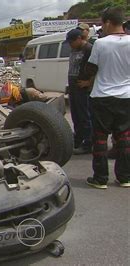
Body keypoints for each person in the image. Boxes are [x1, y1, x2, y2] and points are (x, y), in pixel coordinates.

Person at [84, 7, 129, 189]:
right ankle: (125, 177)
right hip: (127, 96)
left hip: (102, 96)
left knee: (100, 138)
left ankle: (101, 178)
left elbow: (91, 70)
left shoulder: (101, 44)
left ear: (109, 23)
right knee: (125, 138)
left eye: (102, 23)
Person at [66, 28, 93, 155]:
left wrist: (88, 82)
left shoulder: (89, 49)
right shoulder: (74, 49)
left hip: (83, 88)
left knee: (85, 116)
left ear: (78, 38)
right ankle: (78, 139)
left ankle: (88, 143)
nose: (70, 45)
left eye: (71, 42)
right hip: (73, 86)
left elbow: (97, 68)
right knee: (76, 115)